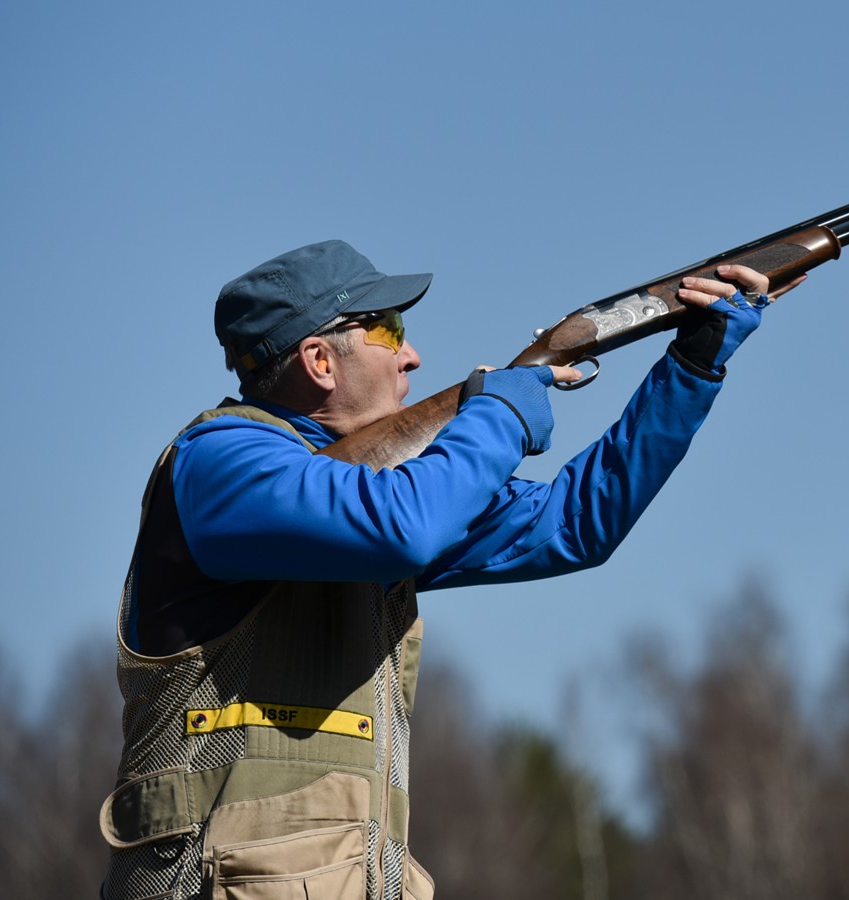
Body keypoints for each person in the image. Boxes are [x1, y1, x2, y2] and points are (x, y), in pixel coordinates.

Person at [99, 239, 803, 900]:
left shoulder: (374, 491)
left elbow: (576, 525)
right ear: (319, 360)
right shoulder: (222, 463)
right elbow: (404, 526)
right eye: (388, 331)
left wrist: (691, 368)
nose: (412, 357)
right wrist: (497, 415)